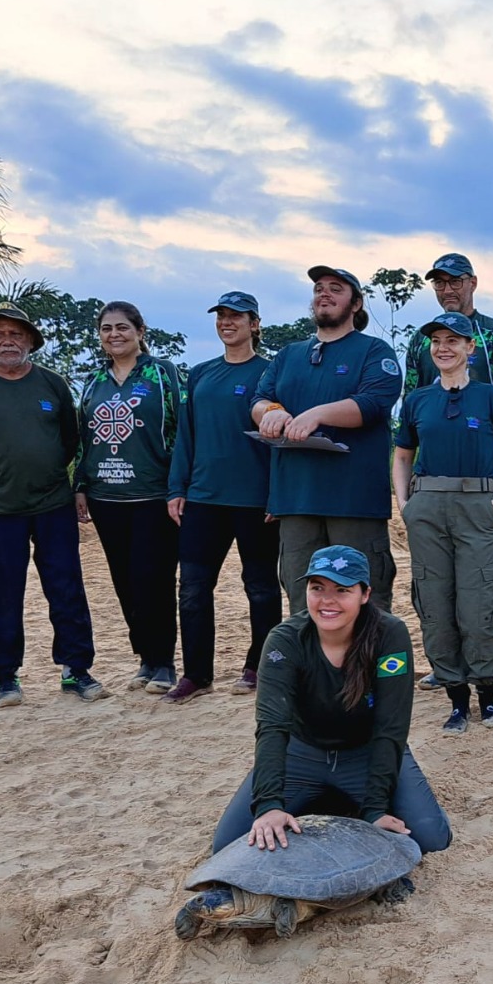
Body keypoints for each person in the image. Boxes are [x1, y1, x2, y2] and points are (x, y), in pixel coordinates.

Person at [211, 545, 452, 856]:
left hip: (365, 752)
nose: (327, 600)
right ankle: (324, 796)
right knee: (228, 843)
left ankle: (345, 799)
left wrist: (375, 809)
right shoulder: (285, 640)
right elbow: (272, 725)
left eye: (342, 590)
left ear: (365, 594)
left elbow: (391, 725)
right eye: (317, 588)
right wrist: (269, 804)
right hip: (302, 754)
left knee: (431, 838)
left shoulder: (389, 634)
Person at [0, 303, 103, 706]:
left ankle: (76, 669)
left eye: (16, 334)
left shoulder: (52, 384)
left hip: (53, 505)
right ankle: (5, 677)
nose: (7, 341)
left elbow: (70, 439)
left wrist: (47, 473)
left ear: (30, 340)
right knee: (0, 592)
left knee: (66, 587)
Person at [394, 312, 493, 733]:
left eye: (453, 340)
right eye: (436, 341)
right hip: (428, 507)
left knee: (479, 605)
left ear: (471, 348)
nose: (443, 348)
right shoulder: (417, 400)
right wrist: (405, 503)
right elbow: (402, 455)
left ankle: (487, 695)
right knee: (435, 605)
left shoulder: (492, 398)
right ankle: (455, 699)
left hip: (477, 506)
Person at [251, 266, 402, 615]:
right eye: (319, 288)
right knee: (303, 603)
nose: (324, 294)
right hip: (296, 500)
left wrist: (317, 414)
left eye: (336, 288)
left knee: (366, 603)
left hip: (354, 502)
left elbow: (374, 403)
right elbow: (259, 399)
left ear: (356, 304)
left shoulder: (374, 351)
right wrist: (271, 411)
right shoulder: (289, 355)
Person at [165, 292, 282, 704]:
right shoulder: (199, 374)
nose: (227, 322)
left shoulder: (270, 373)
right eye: (221, 316)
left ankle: (259, 665)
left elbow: (282, 442)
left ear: (255, 324)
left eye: (237, 316)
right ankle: (197, 674)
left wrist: (278, 495)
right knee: (192, 588)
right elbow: (186, 436)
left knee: (261, 587)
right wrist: (177, 488)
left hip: (255, 500)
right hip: (203, 498)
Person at [75, 301, 184, 695]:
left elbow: (183, 431)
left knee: (154, 579)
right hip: (106, 497)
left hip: (154, 495)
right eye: (106, 329)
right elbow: (83, 438)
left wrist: (180, 486)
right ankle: (145, 658)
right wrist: (80, 485)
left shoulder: (162, 373)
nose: (114, 335)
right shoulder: (93, 382)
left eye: (122, 327)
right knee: (124, 582)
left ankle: (165, 662)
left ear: (140, 331)